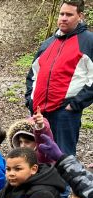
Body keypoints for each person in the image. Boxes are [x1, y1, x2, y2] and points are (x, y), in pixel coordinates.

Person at [25, 0, 93, 157]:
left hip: (65, 112)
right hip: (39, 112)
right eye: (61, 14)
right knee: (37, 156)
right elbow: (33, 74)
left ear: (80, 16)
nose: (63, 18)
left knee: (64, 158)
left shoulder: (88, 42)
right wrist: (31, 99)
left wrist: (76, 104)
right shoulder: (48, 42)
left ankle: (66, 183)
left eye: (69, 14)